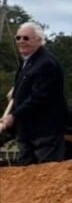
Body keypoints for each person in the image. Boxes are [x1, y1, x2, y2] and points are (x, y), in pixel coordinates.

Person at [2, 22, 66, 165]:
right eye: (18, 38)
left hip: (44, 132)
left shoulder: (46, 63)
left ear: (39, 40)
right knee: (25, 171)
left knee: (46, 172)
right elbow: (28, 83)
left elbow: (39, 97)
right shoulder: (28, 61)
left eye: (26, 38)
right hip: (26, 130)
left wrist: (14, 115)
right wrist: (16, 89)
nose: (21, 41)